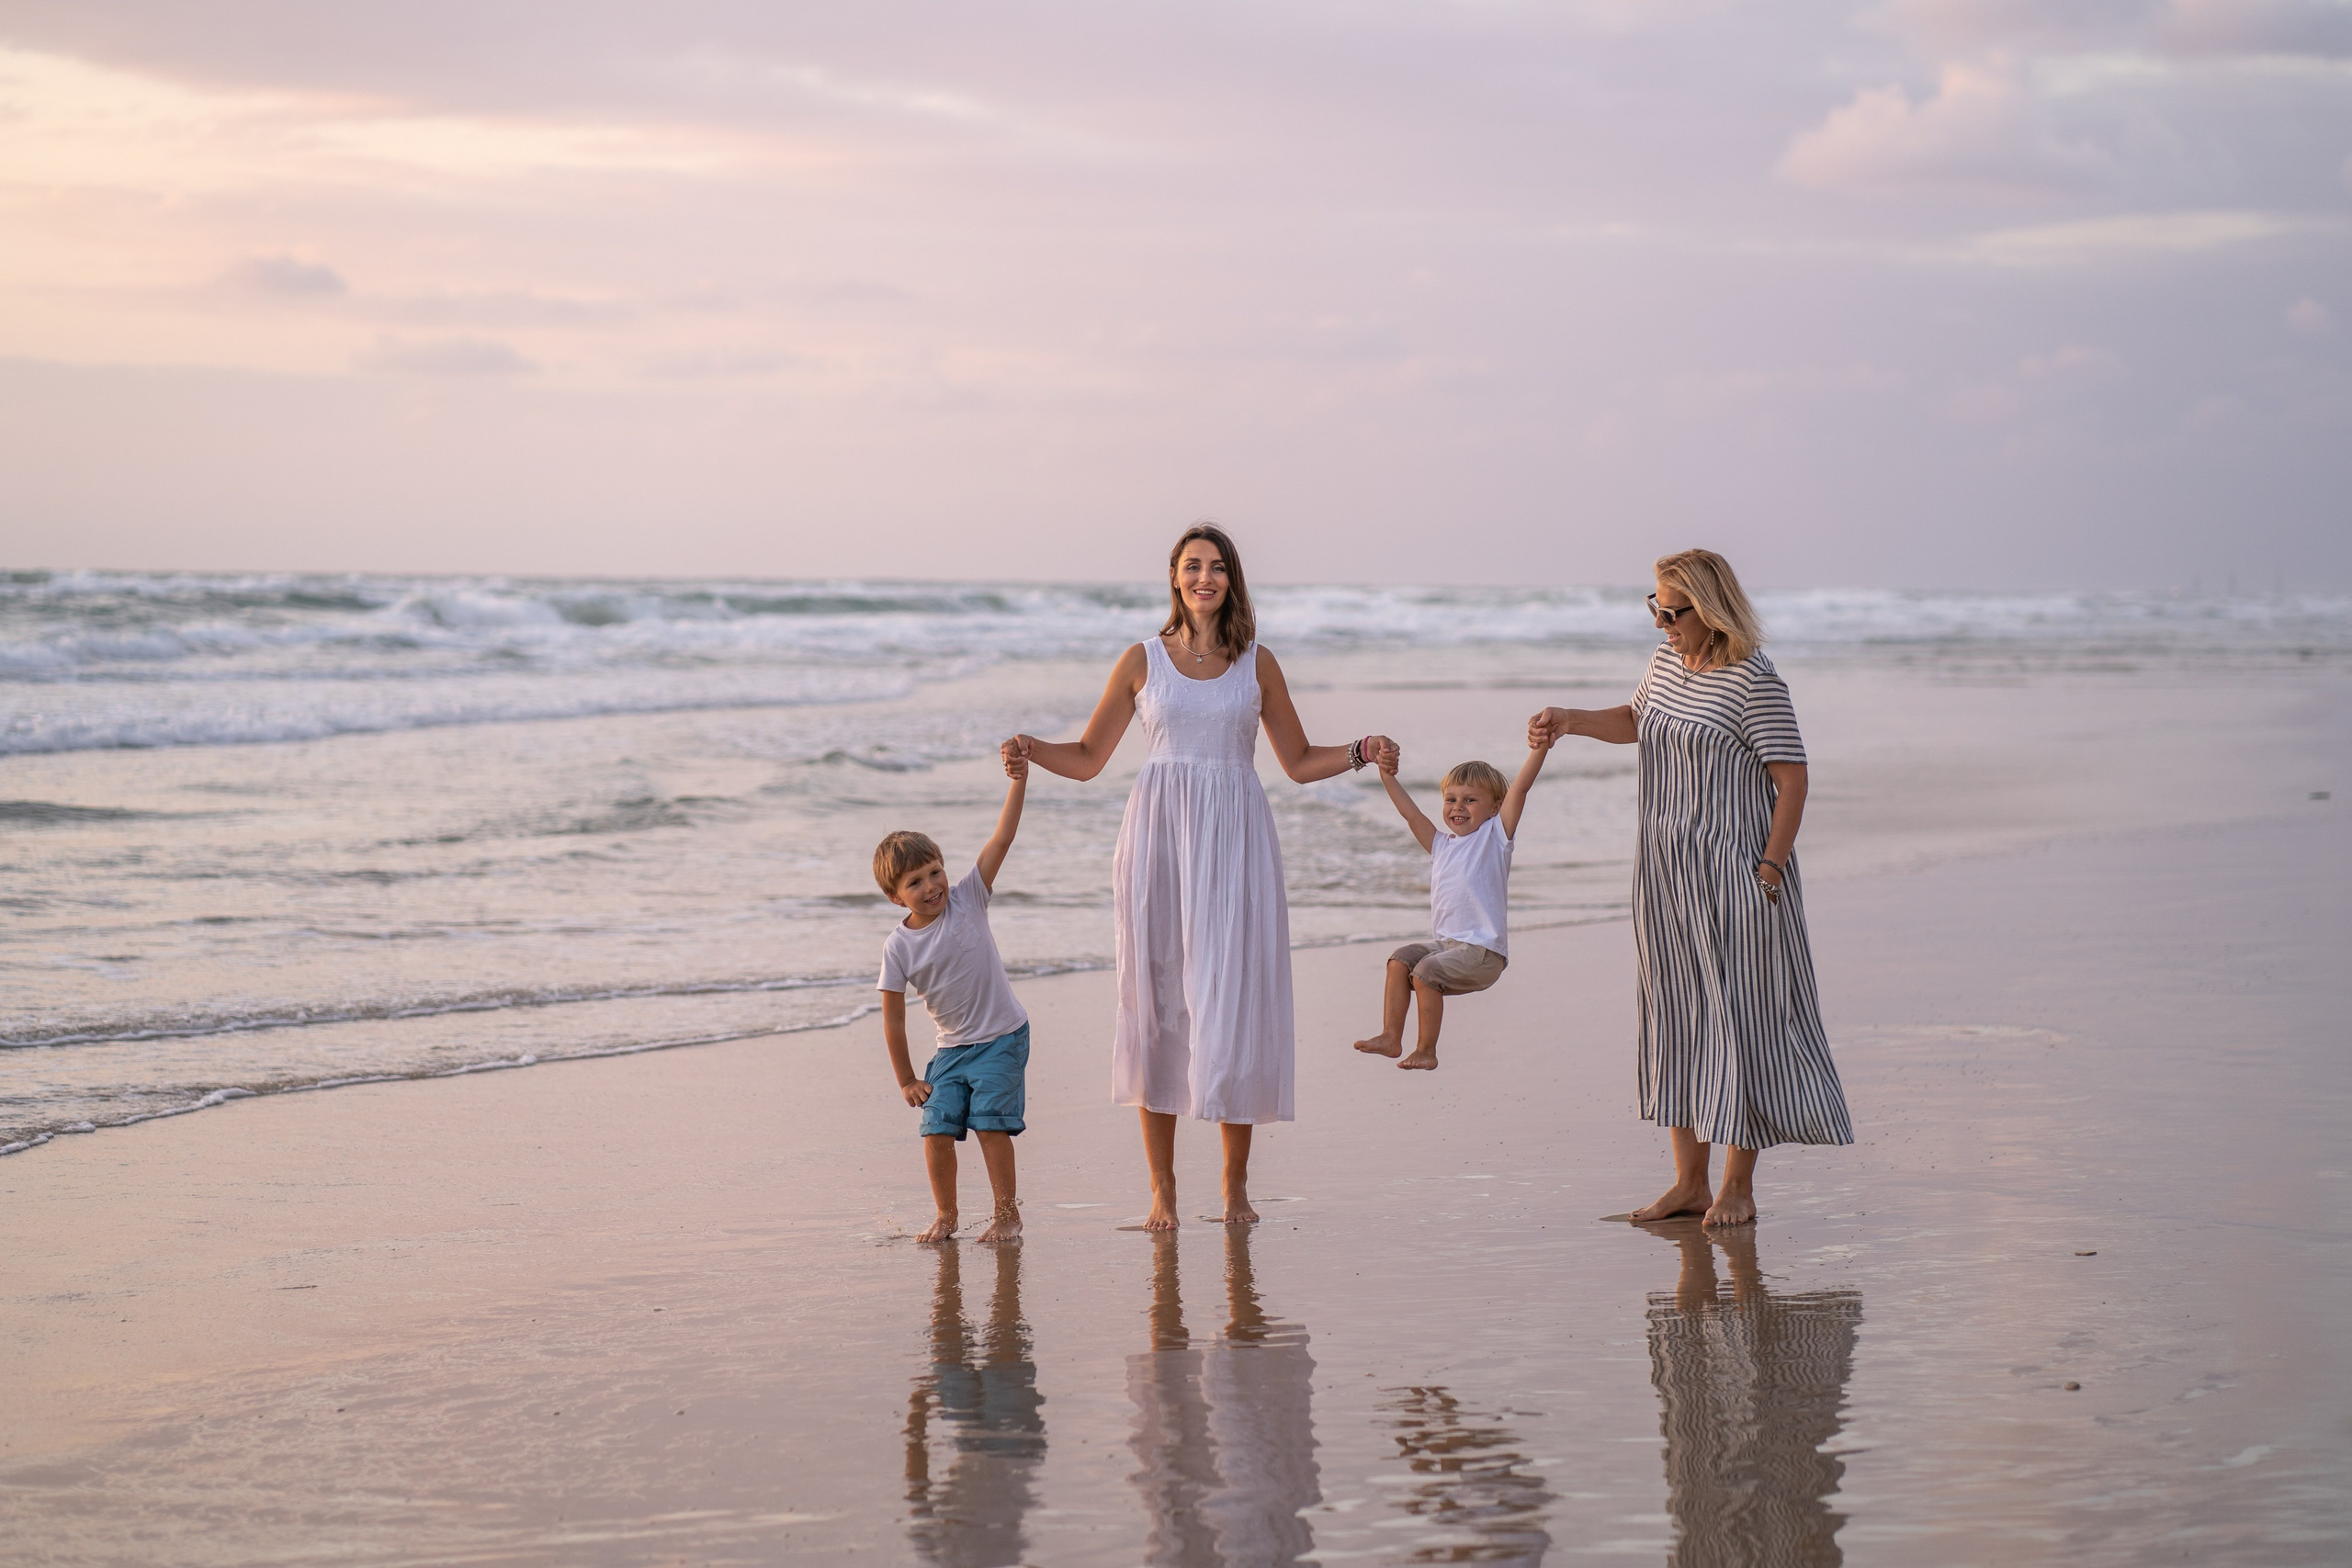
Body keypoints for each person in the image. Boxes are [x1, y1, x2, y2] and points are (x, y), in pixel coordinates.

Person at [1002, 523, 1394, 1230]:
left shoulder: (1258, 664)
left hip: (1236, 841)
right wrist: (1032, 748)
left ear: (1231, 579)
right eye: (1192, 566)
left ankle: (1234, 1186)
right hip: (1158, 840)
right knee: (1156, 1005)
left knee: (1228, 1006)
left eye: (1217, 567)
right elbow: (1091, 756)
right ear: (1175, 578)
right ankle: (1162, 1190)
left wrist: (1362, 749)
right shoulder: (1141, 660)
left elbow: (1299, 759)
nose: (1204, 577)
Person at [1529, 548, 1851, 1227]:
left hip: (1738, 877)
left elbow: (1791, 780)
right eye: (1654, 607)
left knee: (1740, 1023)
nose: (1661, 623)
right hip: (1665, 876)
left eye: (1672, 612)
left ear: (1709, 609)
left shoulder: (1755, 680)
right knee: (1676, 1016)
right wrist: (1570, 718)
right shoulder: (1667, 665)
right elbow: (1638, 720)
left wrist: (1768, 869)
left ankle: (1737, 1187)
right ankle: (1688, 1183)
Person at [875, 754, 1033, 1245]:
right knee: (936, 1130)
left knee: (989, 1128)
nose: (932, 886)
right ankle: (946, 1215)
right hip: (951, 1050)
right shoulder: (898, 947)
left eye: (935, 871)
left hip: (1002, 1037)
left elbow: (1001, 838)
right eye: (915, 882)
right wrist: (906, 1079)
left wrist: (1019, 782)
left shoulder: (970, 897)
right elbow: (894, 1021)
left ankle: (1007, 1215)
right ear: (896, 897)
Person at [1351, 744, 1550, 1070]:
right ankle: (1391, 1036)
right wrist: (1385, 774)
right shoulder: (1441, 845)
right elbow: (1410, 813)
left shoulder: (1495, 836)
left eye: (1470, 799)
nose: (1458, 807)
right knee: (1401, 960)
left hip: (1483, 952)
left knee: (1425, 971)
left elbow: (1522, 787)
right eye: (1450, 799)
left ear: (1494, 808)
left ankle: (1426, 1050)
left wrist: (1540, 748)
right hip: (1448, 945)